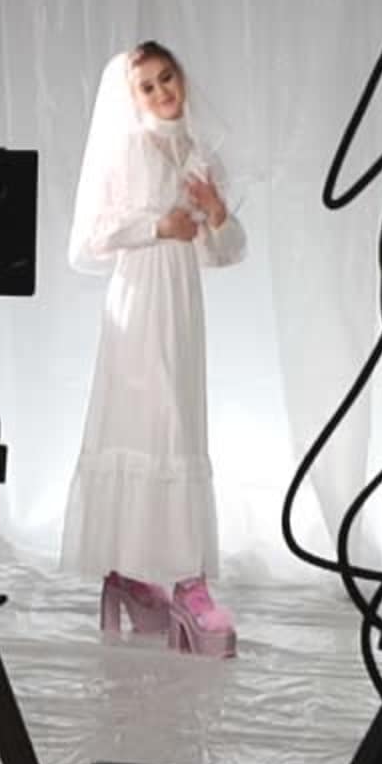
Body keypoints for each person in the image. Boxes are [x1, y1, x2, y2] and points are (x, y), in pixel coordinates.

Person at [62, 40, 248, 655]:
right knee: (152, 419)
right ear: (130, 97)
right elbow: (91, 238)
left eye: (168, 78)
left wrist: (217, 214)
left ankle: (149, 574)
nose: (164, 92)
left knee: (180, 422)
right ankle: (174, 578)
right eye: (148, 86)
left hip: (181, 300)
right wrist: (155, 228)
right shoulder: (126, 148)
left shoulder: (196, 150)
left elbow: (224, 252)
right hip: (140, 297)